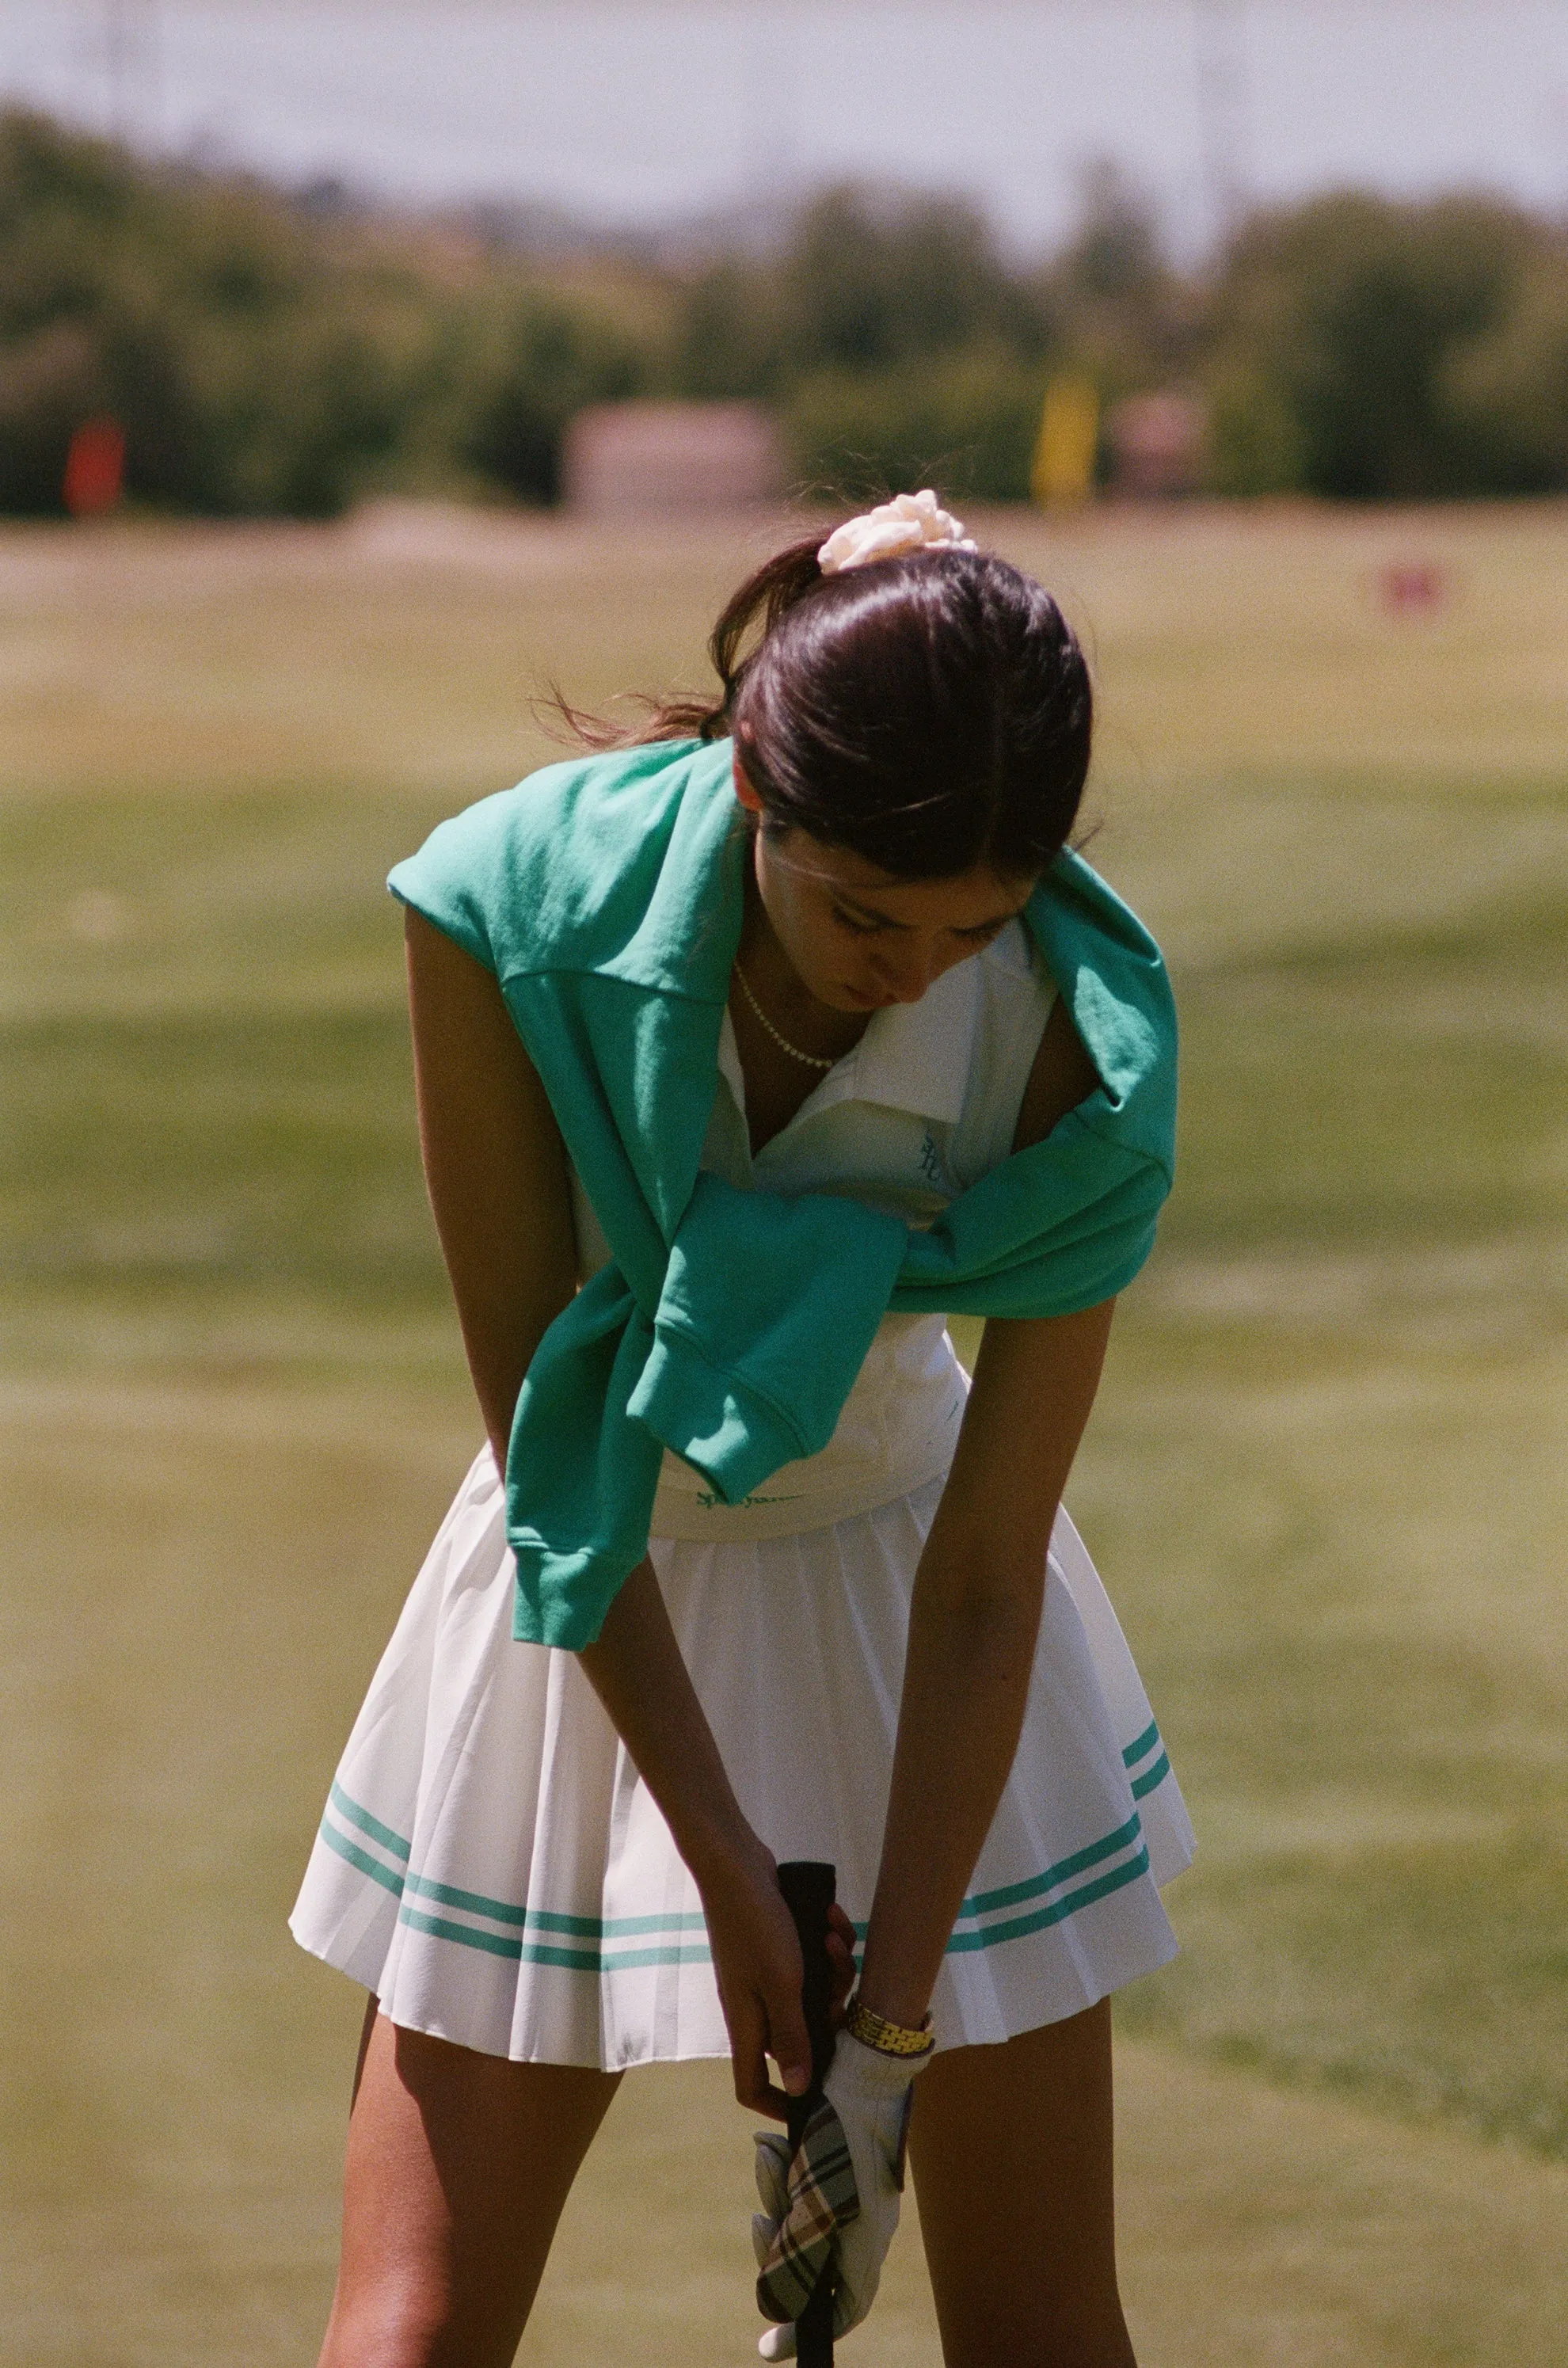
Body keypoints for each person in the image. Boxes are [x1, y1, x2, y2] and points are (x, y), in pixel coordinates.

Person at [291, 490, 1193, 2368]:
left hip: (922, 1598)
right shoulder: (505, 910)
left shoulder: (1077, 1048)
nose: (912, 974)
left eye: (976, 926)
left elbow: (981, 1577)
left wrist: (893, 2035)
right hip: (589, 1584)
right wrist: (717, 1859)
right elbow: (554, 1446)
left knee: (1044, 2334)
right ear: (759, 800)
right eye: (866, 911)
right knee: (412, 2336)